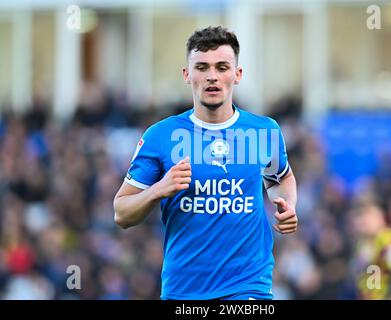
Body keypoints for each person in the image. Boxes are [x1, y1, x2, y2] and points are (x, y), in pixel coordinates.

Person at [113, 26, 298, 300]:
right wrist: (158, 189)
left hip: (248, 287)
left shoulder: (263, 131)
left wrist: (287, 205)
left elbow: (280, 178)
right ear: (187, 75)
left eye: (222, 67)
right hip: (183, 291)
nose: (212, 76)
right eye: (202, 67)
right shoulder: (161, 136)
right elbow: (121, 214)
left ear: (237, 75)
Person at [350, 202, 391, 299]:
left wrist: (382, 253)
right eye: (364, 218)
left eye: (369, 217)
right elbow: (358, 273)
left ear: (380, 218)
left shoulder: (390, 238)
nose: (365, 222)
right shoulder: (362, 243)